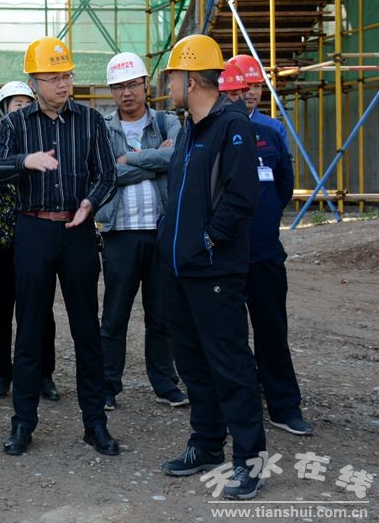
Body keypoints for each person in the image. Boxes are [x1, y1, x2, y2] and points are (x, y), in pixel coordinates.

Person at [0, 37, 119, 457]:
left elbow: (107, 174)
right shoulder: (16, 124)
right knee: (29, 329)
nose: (63, 84)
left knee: (86, 330)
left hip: (77, 230)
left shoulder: (91, 120)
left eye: (67, 75)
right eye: (53, 77)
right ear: (34, 82)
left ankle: (95, 424)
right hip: (33, 230)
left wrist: (90, 203)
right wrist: (24, 161)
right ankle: (23, 423)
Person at [156, 34, 267, 500]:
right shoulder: (189, 129)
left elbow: (241, 198)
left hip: (215, 270)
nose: (168, 86)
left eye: (171, 77)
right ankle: (206, 444)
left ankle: (250, 461)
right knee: (192, 362)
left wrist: (206, 240)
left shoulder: (232, 126)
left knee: (230, 364)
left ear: (191, 79)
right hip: (181, 269)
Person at [95, 52, 187, 411]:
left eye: (133, 84)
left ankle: (165, 384)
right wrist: (154, 162)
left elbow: (176, 158)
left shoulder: (167, 122)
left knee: (162, 315)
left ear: (146, 85)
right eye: (119, 87)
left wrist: (130, 159)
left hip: (162, 232)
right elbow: (105, 173)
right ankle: (107, 385)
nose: (127, 93)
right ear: (112, 91)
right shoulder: (102, 128)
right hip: (119, 233)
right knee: (114, 315)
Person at [0, 81, 59, 402]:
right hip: (2, 246)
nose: (24, 110)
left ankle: (44, 375)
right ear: (3, 111)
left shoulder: (47, 146)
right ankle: (2, 375)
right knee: (1, 312)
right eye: (17, 105)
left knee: (42, 312)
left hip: (38, 243)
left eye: (28, 104)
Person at [247, 121, 313, 436]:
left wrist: (268, 216)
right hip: (224, 258)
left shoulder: (270, 136)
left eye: (247, 93)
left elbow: (284, 186)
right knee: (227, 339)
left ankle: (284, 406)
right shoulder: (209, 133)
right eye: (231, 95)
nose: (241, 97)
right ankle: (239, 407)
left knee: (272, 333)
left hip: (265, 254)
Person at [228, 54, 288, 143]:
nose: (252, 92)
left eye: (257, 86)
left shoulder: (275, 128)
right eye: (247, 86)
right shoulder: (217, 126)